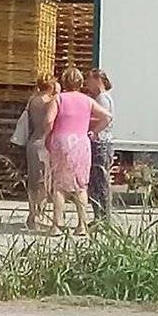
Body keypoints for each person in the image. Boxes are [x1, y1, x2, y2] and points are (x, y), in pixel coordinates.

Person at [48, 65, 112, 236]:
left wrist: (47, 136)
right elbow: (107, 116)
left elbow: (48, 121)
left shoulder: (58, 99)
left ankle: (57, 225)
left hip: (61, 141)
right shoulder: (88, 100)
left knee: (59, 185)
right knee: (81, 185)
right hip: (81, 143)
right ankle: (82, 225)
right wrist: (93, 131)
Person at [24, 75, 59, 231]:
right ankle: (37, 216)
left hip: (32, 142)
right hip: (44, 144)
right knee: (43, 182)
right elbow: (50, 122)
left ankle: (32, 213)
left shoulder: (32, 100)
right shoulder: (49, 102)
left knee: (33, 181)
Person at [85, 68, 115, 223]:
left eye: (89, 81)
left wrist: (93, 131)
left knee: (99, 182)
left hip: (100, 143)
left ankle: (102, 218)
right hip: (105, 142)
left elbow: (105, 118)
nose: (87, 84)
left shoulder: (102, 99)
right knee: (99, 181)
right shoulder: (104, 97)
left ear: (97, 80)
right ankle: (101, 217)